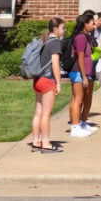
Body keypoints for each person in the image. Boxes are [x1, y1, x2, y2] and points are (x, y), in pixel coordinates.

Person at [31, 16, 65, 153]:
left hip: (37, 80)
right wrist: (58, 83)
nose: (64, 31)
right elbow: (55, 65)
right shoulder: (55, 43)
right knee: (46, 114)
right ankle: (46, 143)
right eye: (63, 28)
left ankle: (36, 141)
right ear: (55, 29)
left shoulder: (44, 41)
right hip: (47, 81)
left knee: (38, 112)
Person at [69, 9, 97, 138]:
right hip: (79, 72)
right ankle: (75, 127)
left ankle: (81, 124)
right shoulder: (80, 37)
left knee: (84, 99)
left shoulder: (88, 37)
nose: (94, 25)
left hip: (86, 72)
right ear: (85, 23)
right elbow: (80, 57)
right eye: (92, 22)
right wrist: (84, 76)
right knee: (78, 99)